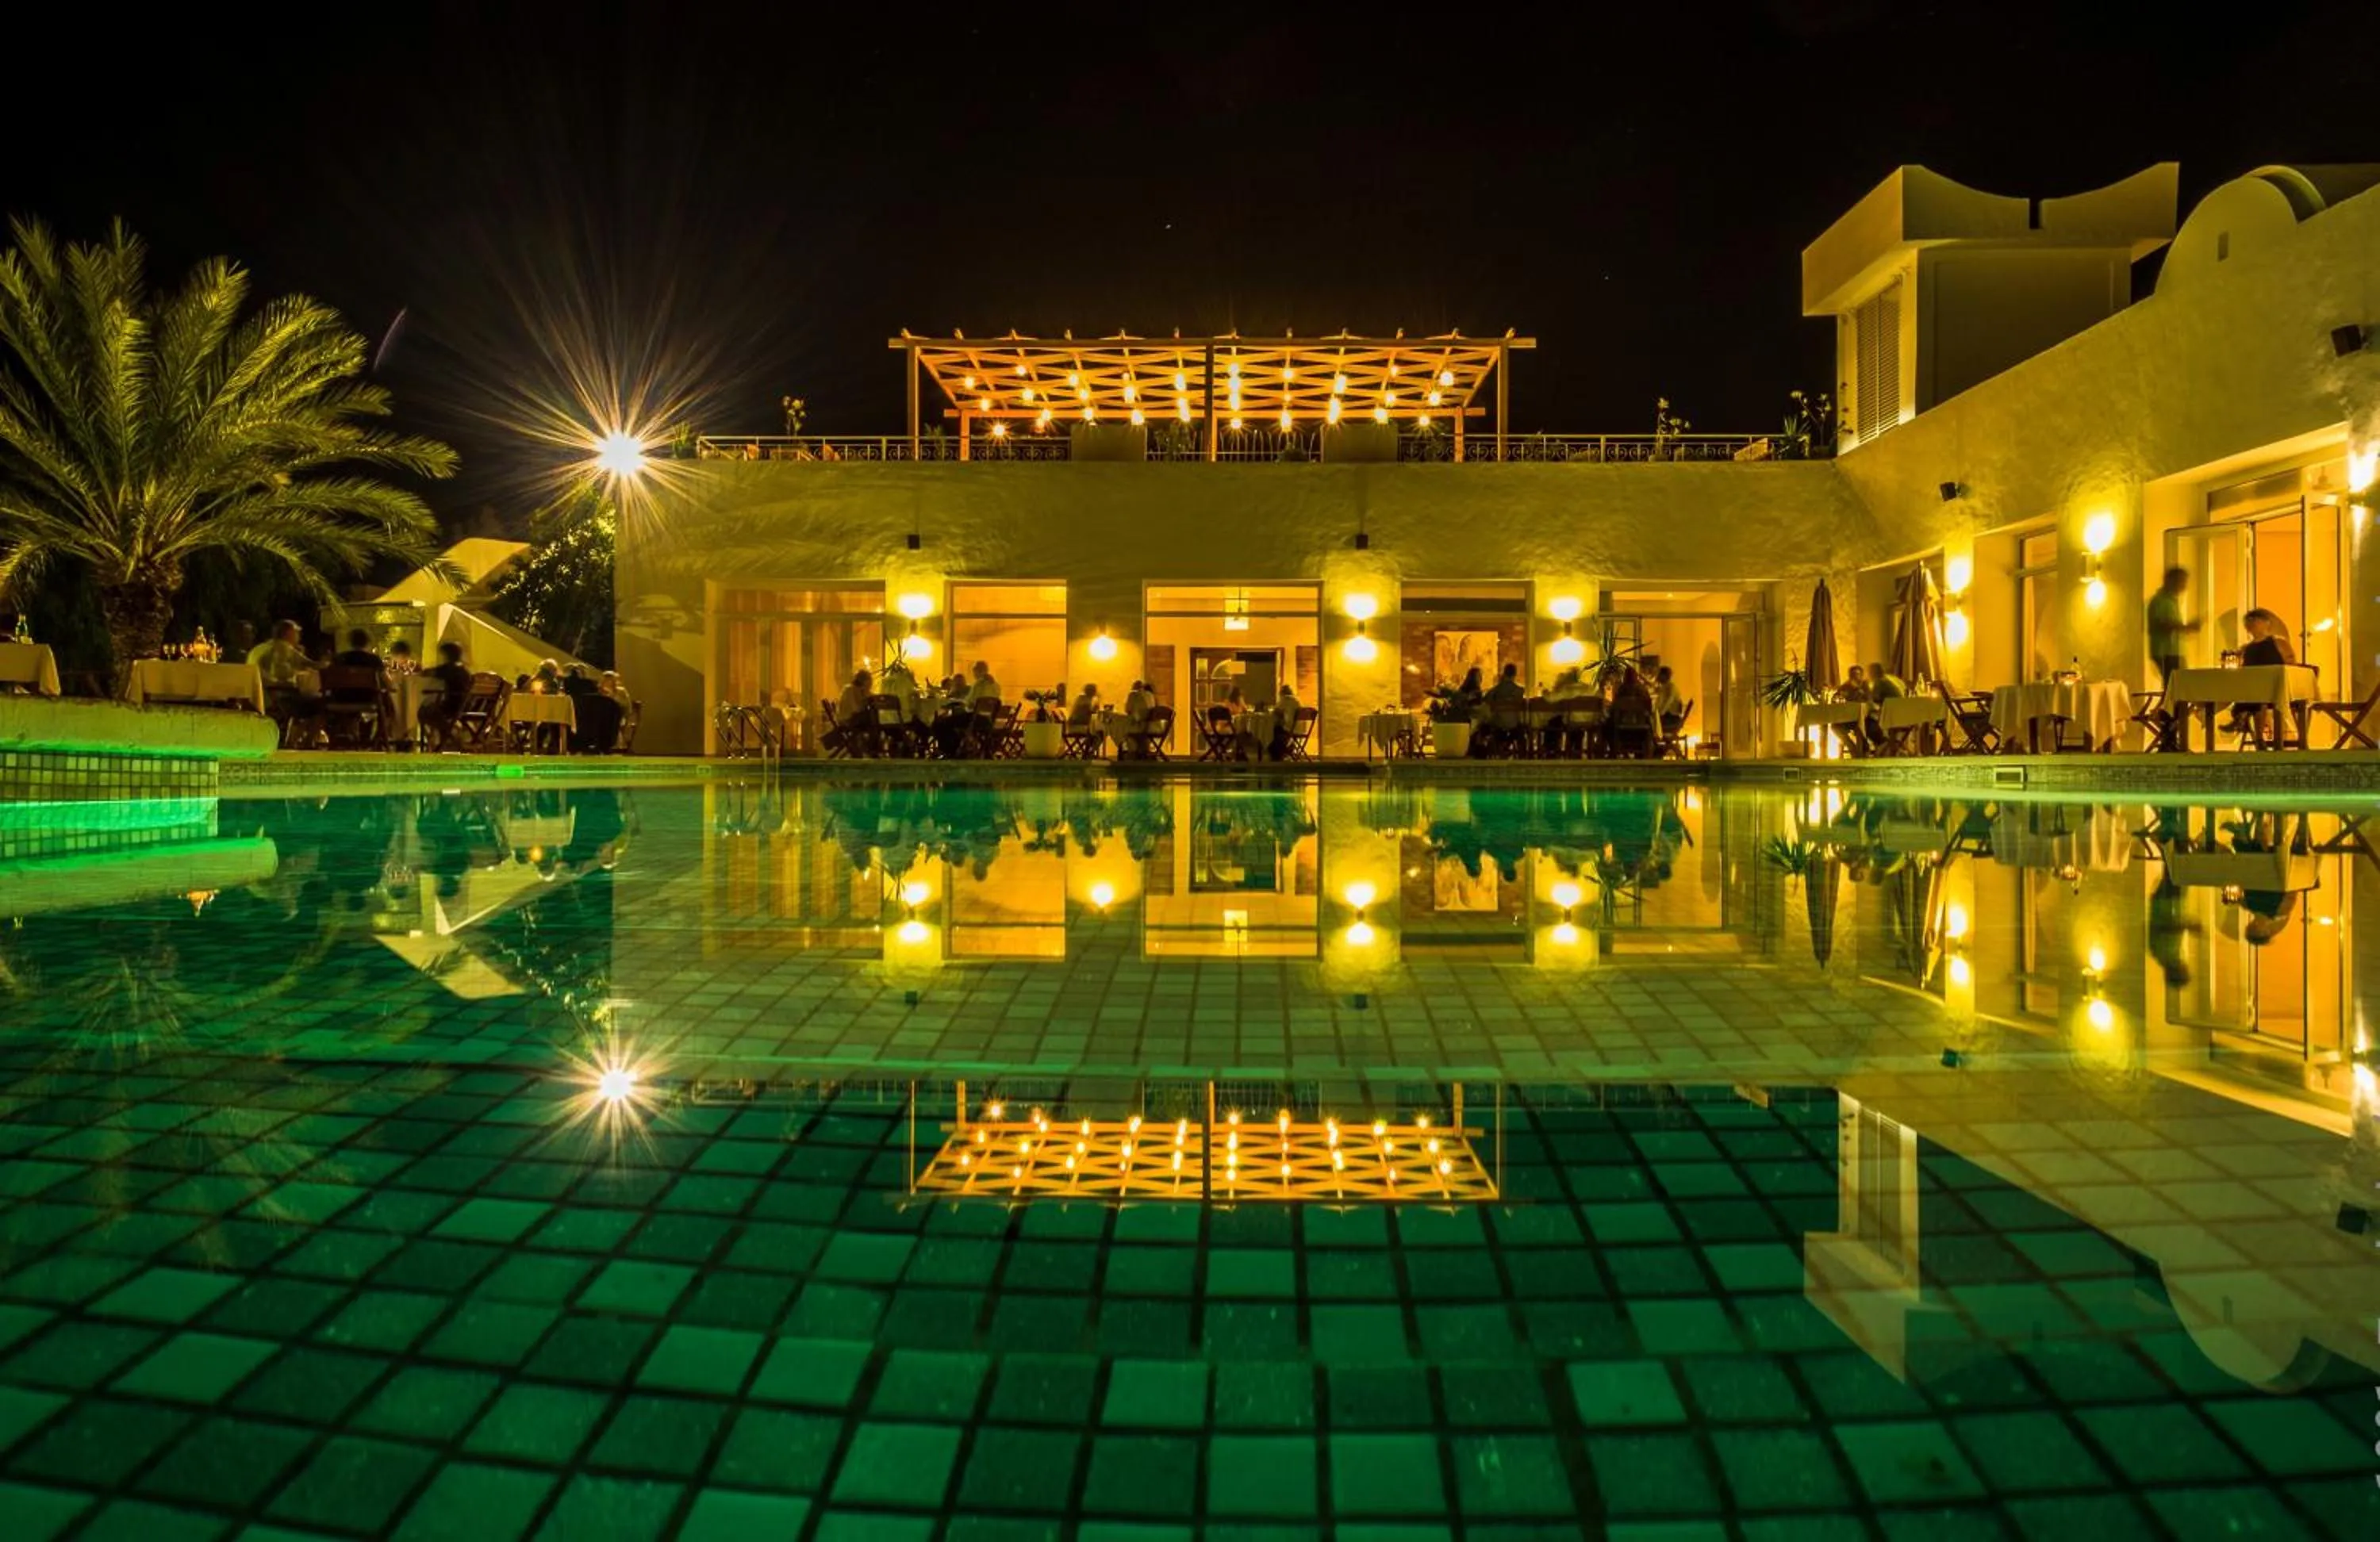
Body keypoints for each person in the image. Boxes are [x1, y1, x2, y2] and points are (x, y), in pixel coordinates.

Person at [2227, 608, 2300, 738]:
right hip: (2255, 688)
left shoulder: (2279, 643)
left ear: (2267, 623)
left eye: (2256, 620)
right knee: (2252, 694)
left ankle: (2241, 717)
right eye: (2249, 622)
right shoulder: (2246, 649)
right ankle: (2255, 734)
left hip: (2277, 686)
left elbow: (2291, 663)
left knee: (2257, 696)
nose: (2252, 624)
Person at [417, 642, 474, 750]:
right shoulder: (465, 671)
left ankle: (446, 737)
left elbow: (427, 673)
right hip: (466, 706)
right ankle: (447, 736)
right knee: (433, 711)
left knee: (422, 712)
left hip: (450, 707)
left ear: (447, 655)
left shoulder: (448, 668)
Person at [2147, 566, 2198, 684]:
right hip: (2166, 652)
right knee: (2177, 687)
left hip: (2175, 652)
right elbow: (2164, 624)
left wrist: (2186, 628)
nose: (2184, 586)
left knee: (2181, 686)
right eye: (2182, 581)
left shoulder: (2172, 601)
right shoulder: (2160, 601)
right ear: (2170, 581)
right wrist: (2186, 627)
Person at [1650, 665, 1687, 739]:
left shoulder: (1671, 688)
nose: (1658, 676)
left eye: (1659, 674)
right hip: (1667, 717)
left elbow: (1666, 705)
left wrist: (1657, 716)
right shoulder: (1664, 688)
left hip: (1671, 719)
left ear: (1664, 676)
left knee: (1649, 724)